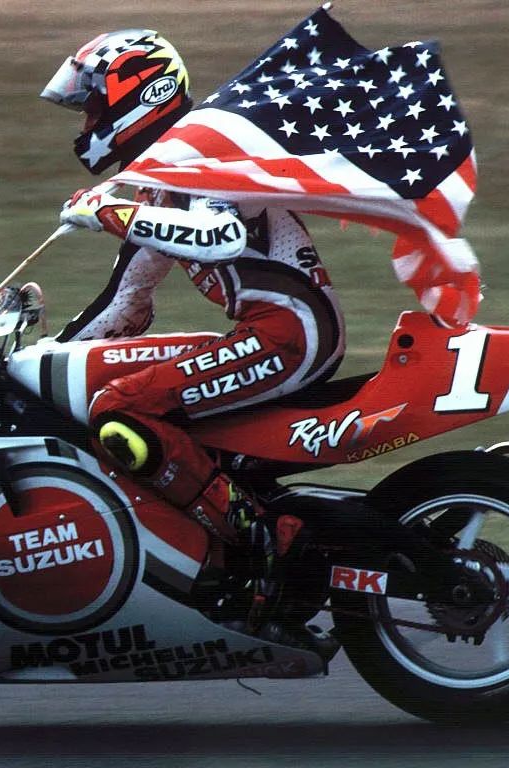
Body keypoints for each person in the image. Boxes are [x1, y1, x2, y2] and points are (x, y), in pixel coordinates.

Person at [40, 29, 345, 642]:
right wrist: (42, 362)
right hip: (274, 331)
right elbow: (126, 302)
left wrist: (110, 212)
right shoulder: (161, 179)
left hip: (291, 333)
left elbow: (218, 237)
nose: (89, 123)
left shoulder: (201, 154)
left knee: (121, 409)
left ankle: (268, 539)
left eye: (95, 106)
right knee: (122, 392)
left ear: (141, 95)